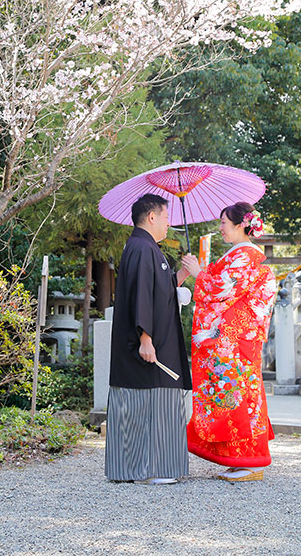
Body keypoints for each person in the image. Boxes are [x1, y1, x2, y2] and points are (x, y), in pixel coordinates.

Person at [182, 202, 277, 483]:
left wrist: (200, 273)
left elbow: (224, 288)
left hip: (236, 342)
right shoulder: (239, 254)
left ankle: (250, 460)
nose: (220, 228)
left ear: (240, 225)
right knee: (233, 397)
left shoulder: (247, 255)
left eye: (224, 222)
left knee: (239, 397)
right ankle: (239, 459)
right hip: (233, 341)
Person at [105, 193, 193, 484]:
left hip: (157, 341)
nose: (169, 223)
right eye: (166, 217)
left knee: (147, 404)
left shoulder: (146, 248)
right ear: (152, 217)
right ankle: (156, 469)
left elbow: (160, 288)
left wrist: (181, 274)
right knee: (153, 403)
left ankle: (133, 468)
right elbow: (142, 294)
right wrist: (145, 337)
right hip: (150, 344)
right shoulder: (142, 248)